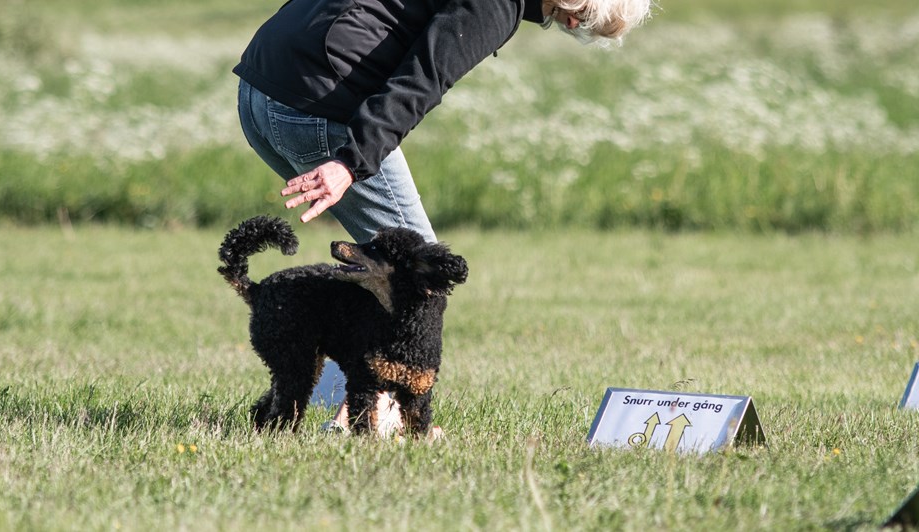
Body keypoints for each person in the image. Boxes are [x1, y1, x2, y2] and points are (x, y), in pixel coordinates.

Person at [233, 0, 654, 430]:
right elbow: (423, 78)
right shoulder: (495, 4)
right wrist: (352, 161)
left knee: (379, 272)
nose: (570, 25)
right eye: (582, 17)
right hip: (317, 103)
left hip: (260, 89)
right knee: (421, 273)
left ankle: (333, 401)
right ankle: (367, 417)